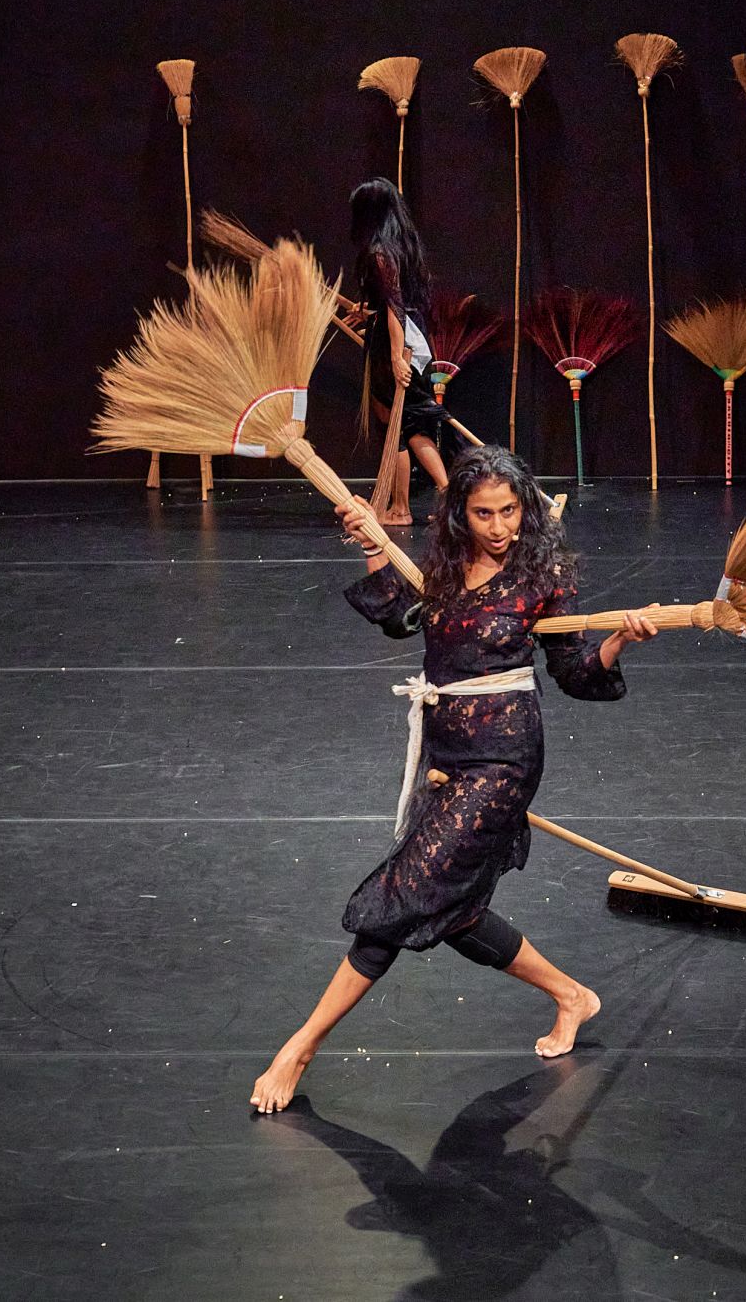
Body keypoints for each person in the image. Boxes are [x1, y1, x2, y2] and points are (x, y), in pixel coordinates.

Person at [251, 446, 658, 1114]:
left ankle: (300, 1046)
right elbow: (400, 619)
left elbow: (577, 674)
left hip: (503, 759)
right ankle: (571, 995)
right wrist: (373, 547)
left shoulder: (543, 576)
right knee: (453, 909)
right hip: (446, 752)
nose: (499, 527)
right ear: (460, 514)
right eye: (484, 513)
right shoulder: (443, 565)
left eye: (510, 511)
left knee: (404, 893)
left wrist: (620, 641)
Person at [349, 177, 450, 525]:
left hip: (397, 340)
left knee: (395, 426)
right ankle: (447, 497)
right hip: (412, 334)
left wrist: (395, 356)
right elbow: (396, 302)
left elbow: (395, 307)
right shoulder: (403, 246)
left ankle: (401, 508)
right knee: (412, 426)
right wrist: (368, 311)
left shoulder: (380, 253)